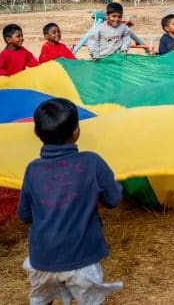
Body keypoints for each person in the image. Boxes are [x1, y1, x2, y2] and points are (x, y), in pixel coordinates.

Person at [18, 98, 124, 305]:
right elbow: (113, 199)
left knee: (41, 298)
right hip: (82, 259)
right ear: (76, 131)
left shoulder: (32, 170)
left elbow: (24, 215)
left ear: (36, 133)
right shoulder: (92, 162)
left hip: (42, 260)